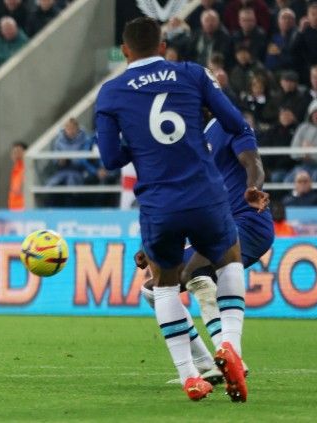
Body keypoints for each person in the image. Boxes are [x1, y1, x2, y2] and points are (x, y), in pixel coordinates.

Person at [95, 18, 250, 402]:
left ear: (125, 49)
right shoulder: (192, 73)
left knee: (163, 282)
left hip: (159, 202)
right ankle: (230, 344)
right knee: (230, 260)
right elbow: (232, 122)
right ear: (163, 45)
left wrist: (143, 145)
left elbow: (111, 158)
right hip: (204, 192)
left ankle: (189, 377)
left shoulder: (111, 91)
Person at [139, 118, 273, 384]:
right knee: (154, 288)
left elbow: (253, 162)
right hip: (212, 225)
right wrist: (153, 241)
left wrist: (253, 187)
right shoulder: (185, 137)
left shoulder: (229, 123)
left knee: (197, 272)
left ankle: (232, 359)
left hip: (247, 223)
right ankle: (204, 363)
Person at [8, 141, 26, 210]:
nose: (16, 155)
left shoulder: (26, 170)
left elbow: (18, 190)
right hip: (13, 208)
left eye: (18, 152)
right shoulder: (15, 169)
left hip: (23, 210)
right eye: (14, 152)